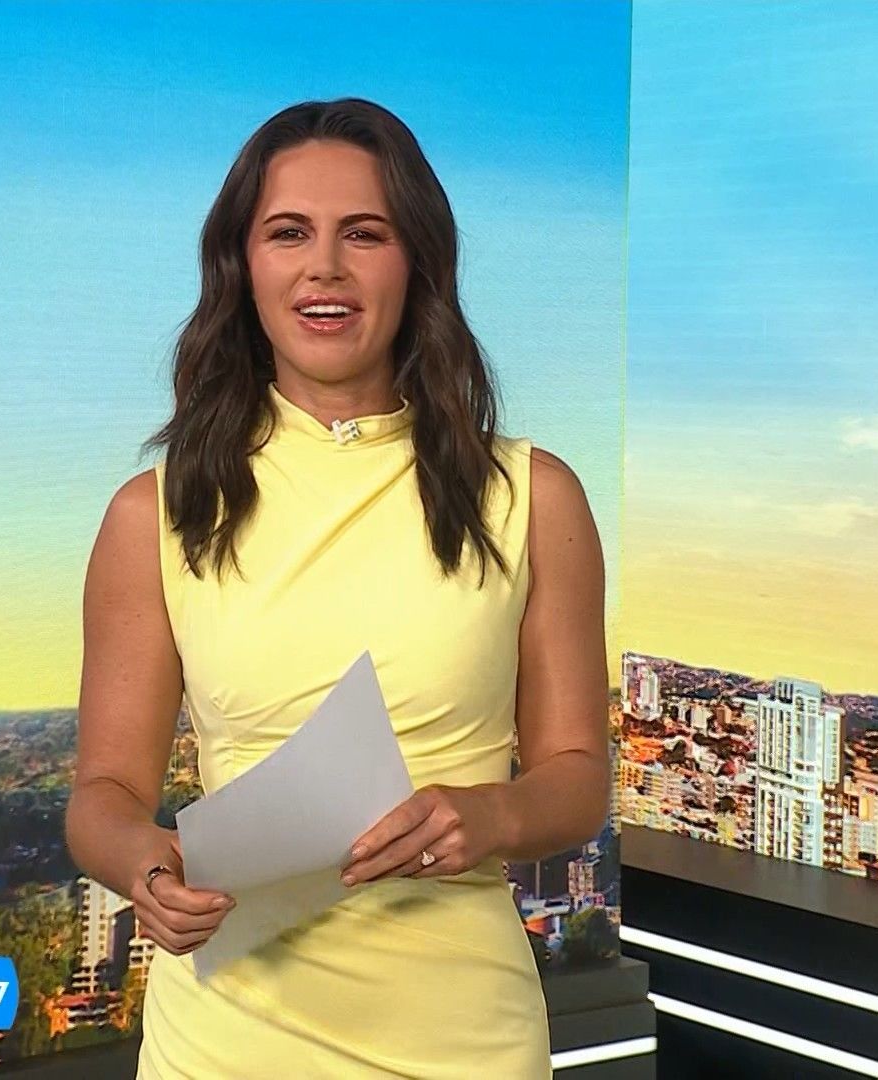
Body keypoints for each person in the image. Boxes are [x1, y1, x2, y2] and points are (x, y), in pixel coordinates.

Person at [67, 97, 610, 1079]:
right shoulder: (153, 514)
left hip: (463, 1038)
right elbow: (103, 794)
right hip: (224, 1043)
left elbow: (576, 775)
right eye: (289, 233)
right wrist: (147, 867)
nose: (325, 266)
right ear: (243, 267)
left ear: (418, 263)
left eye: (364, 233)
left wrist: (490, 816)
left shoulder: (535, 497)